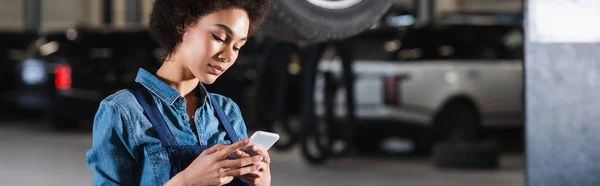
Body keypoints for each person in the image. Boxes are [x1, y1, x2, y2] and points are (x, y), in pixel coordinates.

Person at [85, 0, 271, 185]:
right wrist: (186, 182)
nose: (228, 56)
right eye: (220, 38)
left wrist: (261, 182)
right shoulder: (122, 111)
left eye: (237, 47)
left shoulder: (228, 112)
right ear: (183, 24)